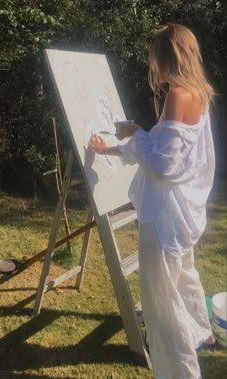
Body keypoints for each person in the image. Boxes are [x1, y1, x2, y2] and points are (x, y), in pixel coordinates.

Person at [88, 23, 215, 379]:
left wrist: (136, 132)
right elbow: (164, 149)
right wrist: (112, 147)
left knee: (162, 307)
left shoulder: (178, 94)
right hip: (178, 216)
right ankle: (200, 334)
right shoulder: (197, 93)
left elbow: (161, 163)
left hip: (163, 218)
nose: (152, 64)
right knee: (182, 282)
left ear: (166, 55)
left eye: (154, 56)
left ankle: (180, 373)